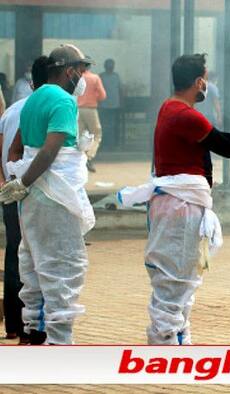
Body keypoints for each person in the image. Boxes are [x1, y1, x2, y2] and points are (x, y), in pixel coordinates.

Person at [117, 54, 230, 345]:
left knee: (180, 283)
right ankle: (165, 351)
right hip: (179, 209)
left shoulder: (171, 108)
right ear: (198, 81)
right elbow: (225, 146)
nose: (207, 84)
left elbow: (219, 138)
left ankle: (176, 344)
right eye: (205, 78)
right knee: (174, 284)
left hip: (178, 206)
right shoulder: (183, 114)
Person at [0, 44, 95, 345]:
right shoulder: (64, 101)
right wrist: (25, 180)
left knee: (34, 261)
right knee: (63, 265)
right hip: (54, 195)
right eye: (81, 70)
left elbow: (17, 148)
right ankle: (59, 338)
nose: (83, 76)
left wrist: (18, 179)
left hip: (31, 200)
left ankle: (35, 328)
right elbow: (51, 151)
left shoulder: (31, 101)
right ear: (69, 70)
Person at [0, 56, 51, 344]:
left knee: (14, 254)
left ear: (31, 83)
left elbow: (4, 151)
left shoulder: (11, 112)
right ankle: (36, 326)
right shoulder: (49, 110)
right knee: (36, 258)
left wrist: (4, 182)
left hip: (10, 190)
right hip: (34, 194)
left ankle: (14, 325)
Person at [78, 63, 107, 172]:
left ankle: (78, 159)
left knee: (79, 135)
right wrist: (93, 96)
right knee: (96, 134)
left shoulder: (77, 77)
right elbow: (103, 95)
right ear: (89, 66)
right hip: (90, 109)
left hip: (78, 109)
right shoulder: (95, 78)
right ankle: (88, 157)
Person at [99, 58, 123, 150]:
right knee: (104, 126)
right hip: (103, 105)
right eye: (108, 65)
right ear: (105, 67)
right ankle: (104, 144)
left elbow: (120, 90)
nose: (110, 67)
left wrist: (121, 103)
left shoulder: (116, 76)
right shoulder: (100, 77)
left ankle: (112, 145)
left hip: (114, 105)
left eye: (111, 65)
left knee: (113, 126)